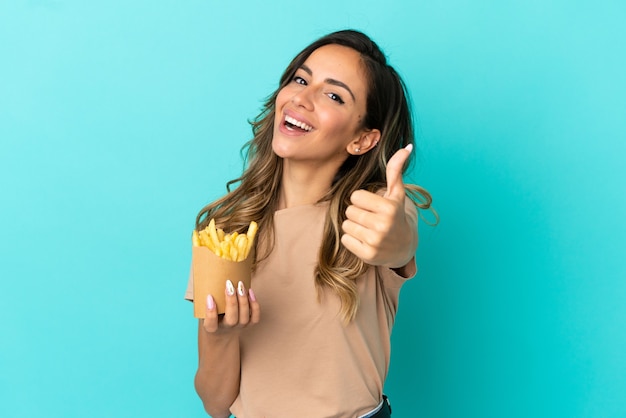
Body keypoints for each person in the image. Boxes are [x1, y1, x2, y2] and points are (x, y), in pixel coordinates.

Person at [185, 29, 434, 418]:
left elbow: (397, 237)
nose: (301, 98)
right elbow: (216, 404)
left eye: (333, 95)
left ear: (363, 140)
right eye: (301, 80)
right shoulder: (226, 231)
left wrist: (396, 237)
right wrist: (222, 336)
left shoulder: (370, 215)